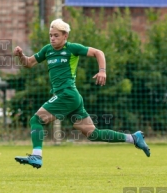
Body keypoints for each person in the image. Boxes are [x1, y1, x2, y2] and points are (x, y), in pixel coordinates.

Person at [13, 18, 150, 169]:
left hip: (67, 94)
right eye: (51, 35)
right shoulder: (47, 50)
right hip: (72, 98)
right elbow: (29, 63)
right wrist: (20, 55)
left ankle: (36, 156)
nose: (52, 38)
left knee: (36, 120)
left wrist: (102, 71)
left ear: (65, 36)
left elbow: (99, 52)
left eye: (56, 35)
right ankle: (133, 138)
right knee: (93, 133)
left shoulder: (72, 49)